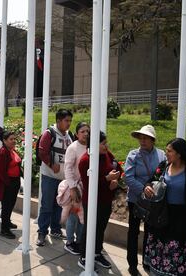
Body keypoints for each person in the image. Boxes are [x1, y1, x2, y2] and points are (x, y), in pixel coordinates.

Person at [144, 138, 186, 276]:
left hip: (182, 219)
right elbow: (150, 181)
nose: (166, 153)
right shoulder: (163, 166)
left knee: (176, 250)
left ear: (179, 154)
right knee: (160, 249)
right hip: (162, 215)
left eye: (169, 151)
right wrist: (147, 187)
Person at [124, 125, 166, 276]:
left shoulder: (162, 155)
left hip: (153, 202)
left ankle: (147, 261)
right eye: (140, 138)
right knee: (133, 231)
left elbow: (164, 175)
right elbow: (128, 177)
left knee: (150, 231)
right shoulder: (133, 155)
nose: (142, 141)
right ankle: (132, 263)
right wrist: (143, 188)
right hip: (136, 200)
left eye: (146, 138)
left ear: (152, 140)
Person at [78, 131, 122, 270]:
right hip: (92, 201)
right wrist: (106, 179)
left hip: (106, 199)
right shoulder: (85, 161)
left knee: (101, 227)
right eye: (103, 143)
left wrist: (116, 179)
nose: (106, 146)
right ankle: (84, 256)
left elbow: (117, 168)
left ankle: (96, 253)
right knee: (90, 228)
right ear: (94, 144)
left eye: (105, 143)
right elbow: (89, 184)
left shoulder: (107, 155)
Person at [37, 109, 73, 246]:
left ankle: (56, 229)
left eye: (70, 121)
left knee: (60, 204)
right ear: (58, 121)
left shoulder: (70, 135)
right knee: (46, 205)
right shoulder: (49, 133)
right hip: (50, 176)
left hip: (63, 178)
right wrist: (51, 164)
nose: (68, 124)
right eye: (66, 121)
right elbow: (41, 152)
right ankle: (42, 232)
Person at [63, 122, 90, 255]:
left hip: (87, 189)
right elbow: (67, 168)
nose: (86, 134)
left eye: (87, 131)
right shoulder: (73, 147)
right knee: (73, 216)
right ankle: (69, 242)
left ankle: (79, 241)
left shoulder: (91, 147)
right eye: (82, 131)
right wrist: (73, 188)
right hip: (75, 188)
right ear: (77, 133)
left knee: (82, 217)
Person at [0, 131, 21, 239]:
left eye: (14, 139)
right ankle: (4, 229)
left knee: (11, 204)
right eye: (11, 139)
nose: (13, 141)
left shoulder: (11, 150)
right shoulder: (3, 152)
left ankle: (7, 222)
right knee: (6, 206)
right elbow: (1, 171)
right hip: (8, 183)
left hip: (15, 181)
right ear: (5, 141)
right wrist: (9, 183)